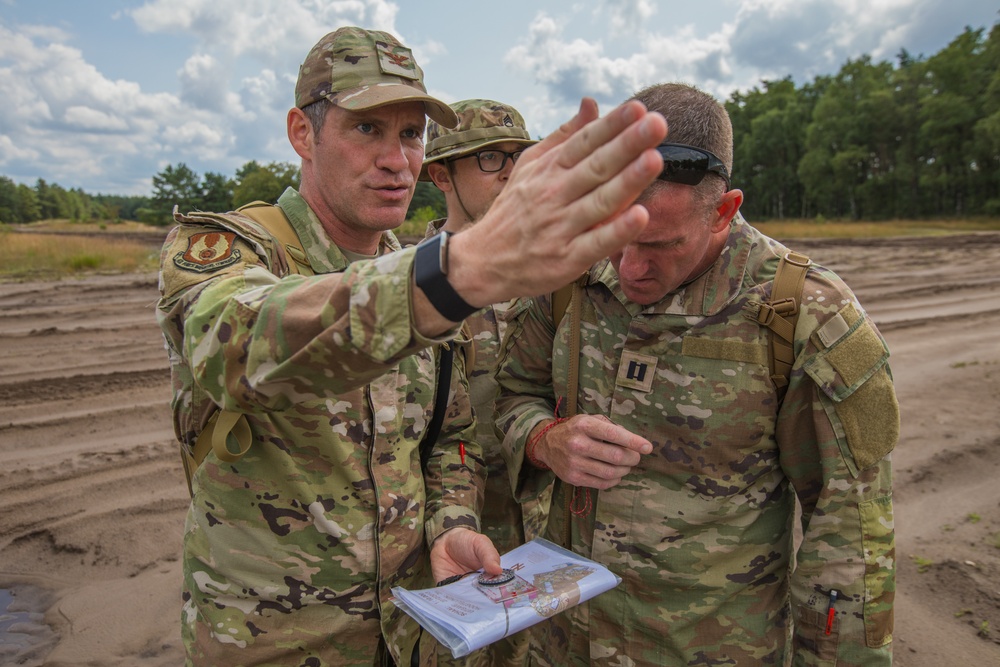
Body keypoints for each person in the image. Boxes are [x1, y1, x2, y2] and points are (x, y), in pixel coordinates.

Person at [156, 25, 669, 667]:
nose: (398, 160)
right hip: (275, 638)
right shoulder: (233, 249)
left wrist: (451, 524)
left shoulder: (416, 267)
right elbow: (235, 347)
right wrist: (454, 274)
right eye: (367, 129)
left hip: (413, 628)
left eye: (411, 134)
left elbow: (451, 433)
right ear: (302, 133)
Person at [494, 82, 898, 666]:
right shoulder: (569, 274)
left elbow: (852, 538)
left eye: (659, 245)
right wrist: (541, 439)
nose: (629, 268)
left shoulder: (806, 317)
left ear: (723, 212)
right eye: (617, 236)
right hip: (566, 645)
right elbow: (514, 394)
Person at [419, 99, 539, 667]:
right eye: (491, 158)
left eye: (520, 156)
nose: (512, 171)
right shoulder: (405, 284)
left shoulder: (559, 277)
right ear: (441, 175)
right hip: (442, 535)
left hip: (538, 533)